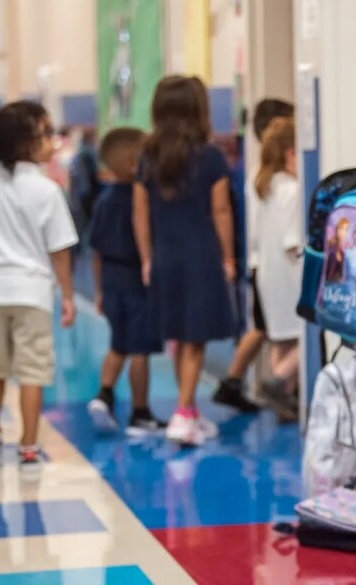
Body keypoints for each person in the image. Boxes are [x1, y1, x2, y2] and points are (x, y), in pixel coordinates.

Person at [0, 100, 78, 471]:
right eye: (45, 134)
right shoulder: (46, 190)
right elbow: (59, 251)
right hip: (33, 293)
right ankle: (28, 445)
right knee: (32, 372)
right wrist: (68, 294)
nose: (52, 142)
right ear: (23, 144)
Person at [133, 75, 236, 446]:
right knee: (195, 337)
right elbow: (221, 210)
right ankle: (181, 412)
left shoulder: (148, 154)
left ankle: (189, 411)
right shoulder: (209, 157)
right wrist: (228, 256)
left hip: (165, 254)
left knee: (179, 334)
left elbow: (140, 212)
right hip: (200, 253)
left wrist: (146, 258)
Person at [213, 98, 295, 413]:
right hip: (273, 269)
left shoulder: (258, 178)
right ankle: (244, 380)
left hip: (260, 265)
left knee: (272, 333)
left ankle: (281, 397)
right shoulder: (282, 185)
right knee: (266, 329)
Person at [86, 127, 166, 435]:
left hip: (111, 281)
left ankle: (104, 394)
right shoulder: (143, 202)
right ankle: (140, 411)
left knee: (118, 343)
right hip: (137, 282)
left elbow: (95, 251)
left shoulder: (103, 203)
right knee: (140, 350)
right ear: (134, 163)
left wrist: (99, 292)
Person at [251, 117, 303, 422]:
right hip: (288, 274)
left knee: (281, 337)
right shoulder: (292, 190)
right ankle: (277, 381)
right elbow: (293, 242)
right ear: (289, 153)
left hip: (267, 274)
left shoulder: (262, 186)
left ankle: (286, 403)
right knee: (306, 332)